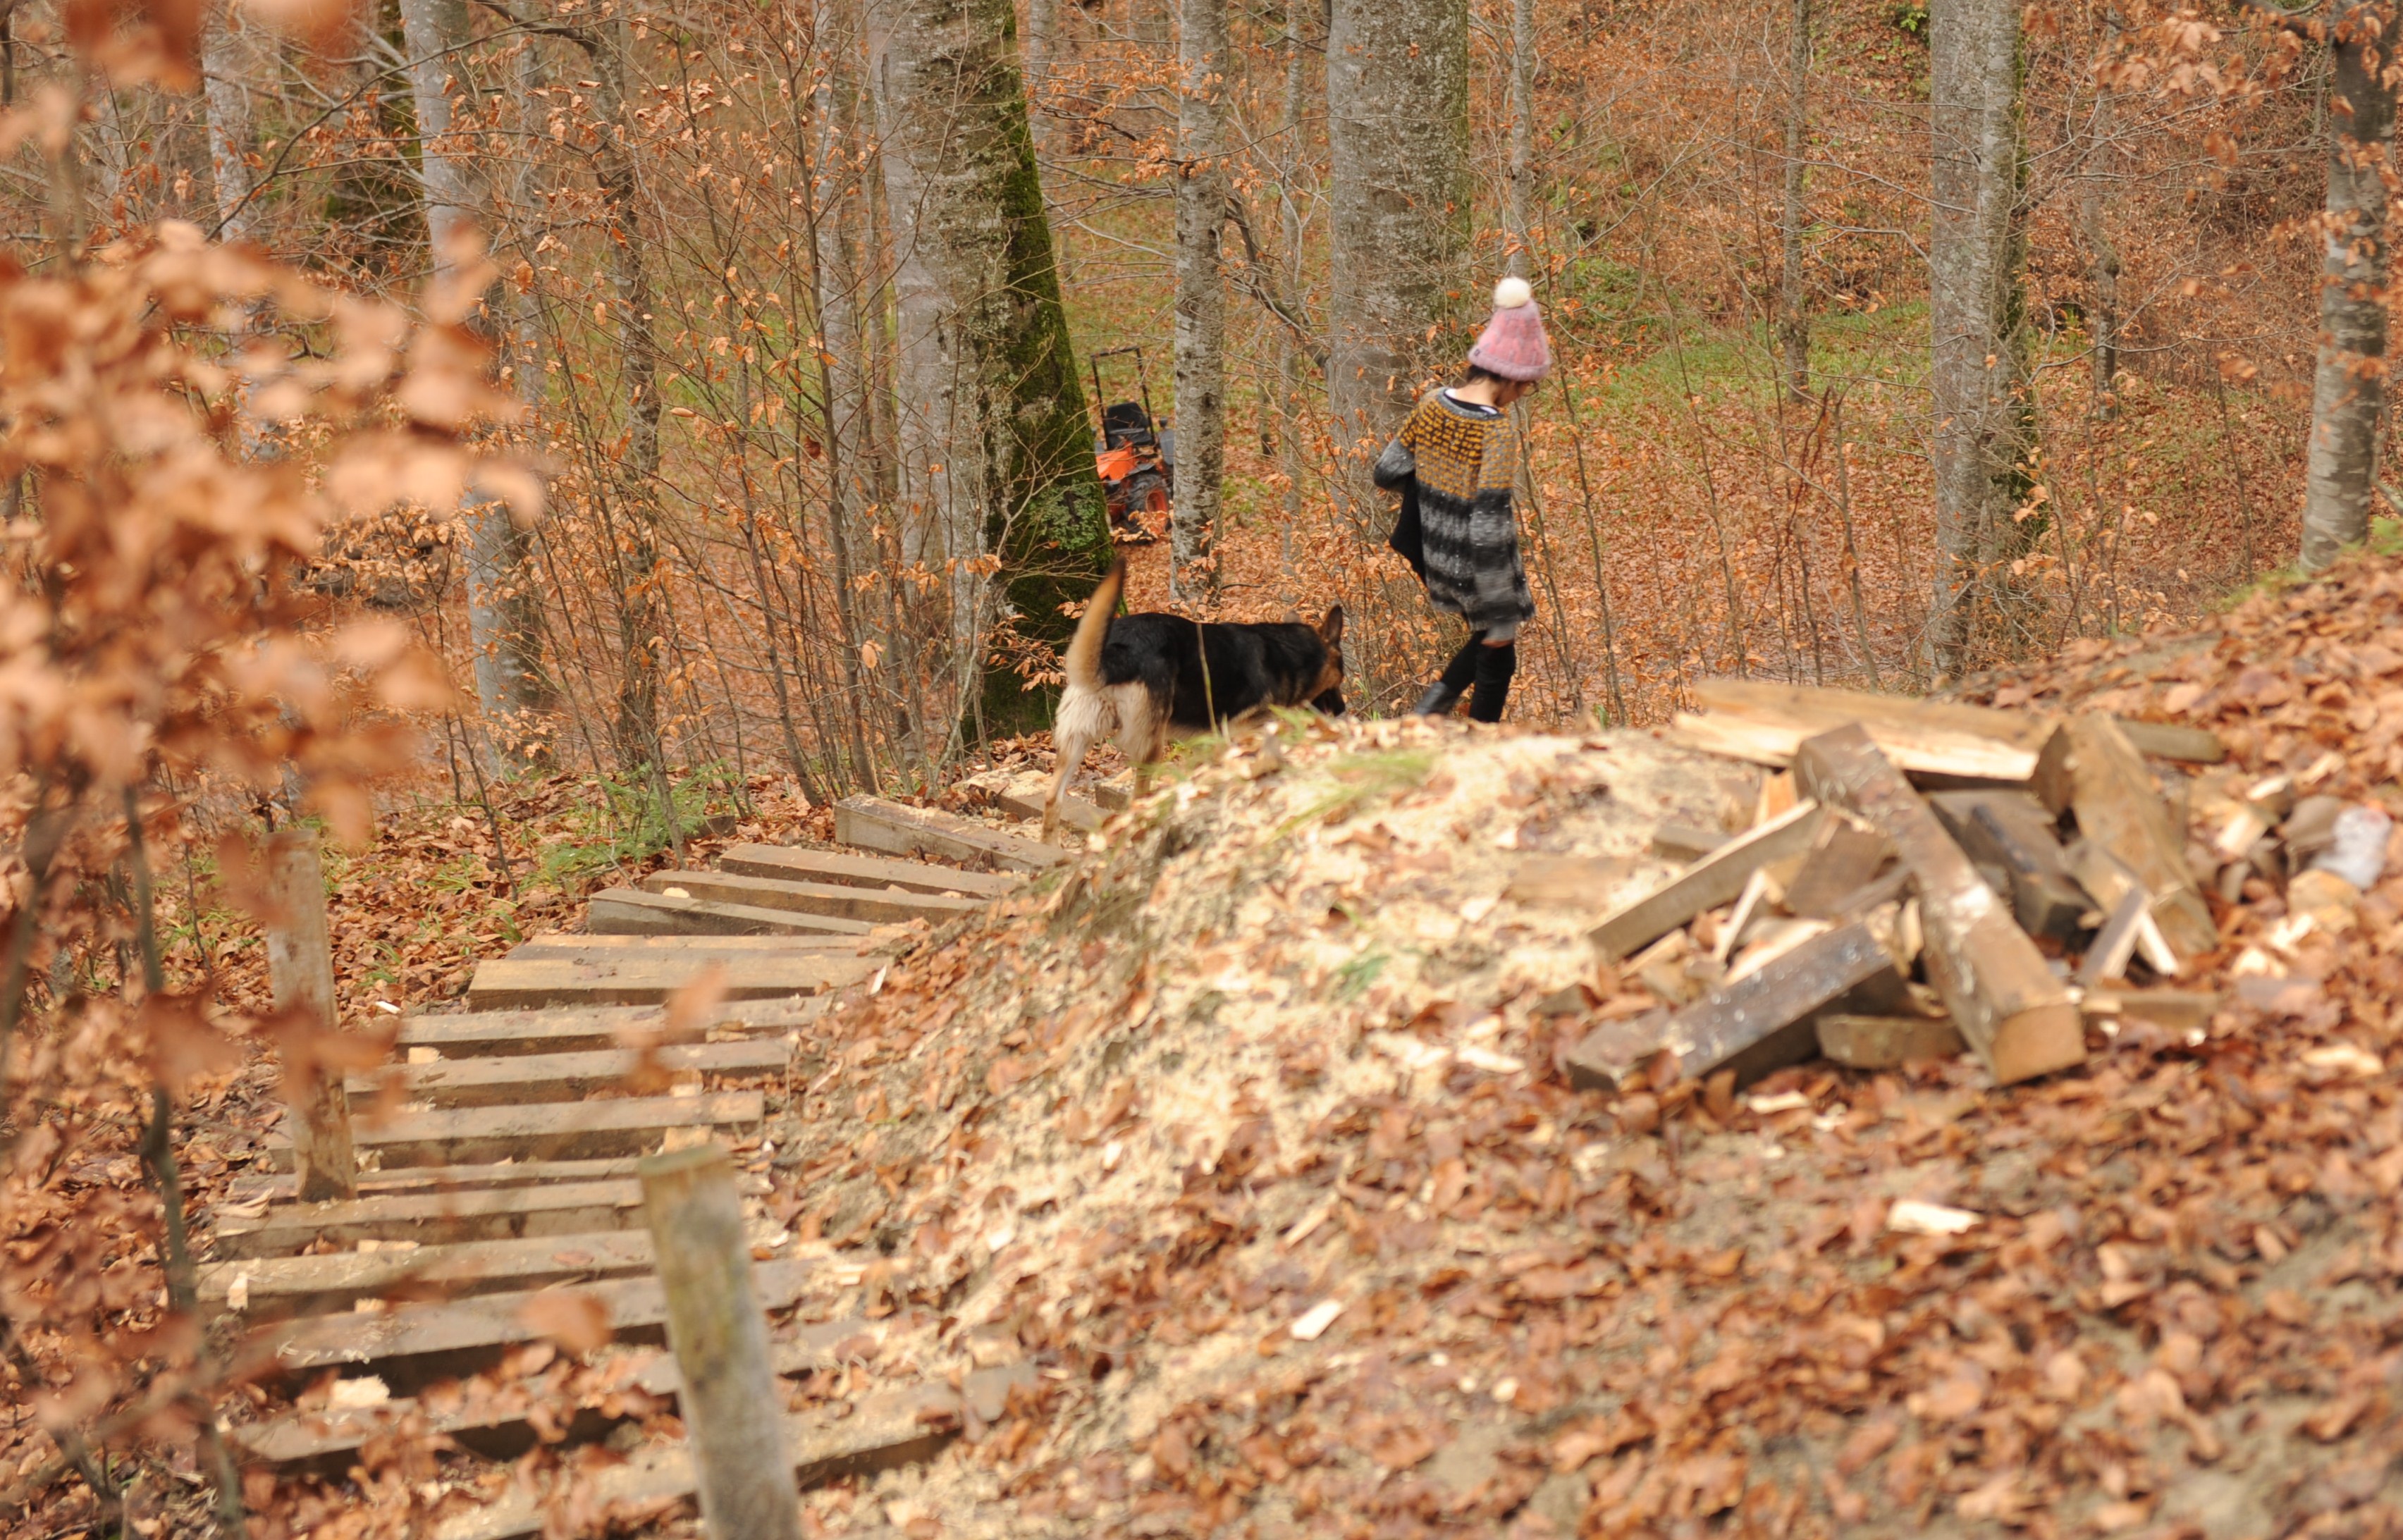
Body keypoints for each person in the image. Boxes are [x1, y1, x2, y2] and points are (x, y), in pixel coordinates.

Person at [1372, 275, 1550, 722]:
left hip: (1432, 555)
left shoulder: (1433, 403)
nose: (1522, 396)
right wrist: (1501, 605)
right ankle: (1466, 734)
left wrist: (1437, 496)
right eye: (1526, 385)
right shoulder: (1495, 430)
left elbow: (1386, 471)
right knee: (1498, 653)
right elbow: (1488, 527)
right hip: (1478, 568)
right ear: (1511, 377)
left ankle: (1431, 711)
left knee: (1487, 644)